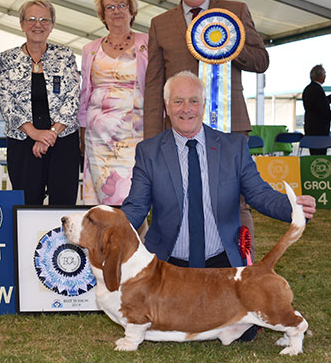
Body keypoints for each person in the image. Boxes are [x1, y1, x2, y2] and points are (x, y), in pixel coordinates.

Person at [122, 70, 316, 268]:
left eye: (194, 101)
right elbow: (136, 206)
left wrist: (294, 207)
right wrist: (106, 229)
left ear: (204, 105)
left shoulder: (234, 147)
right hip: (166, 266)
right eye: (178, 101)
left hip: (223, 263)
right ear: (167, 107)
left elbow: (259, 194)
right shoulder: (148, 152)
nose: (186, 109)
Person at [144, 0, 270, 253]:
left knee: (236, 202)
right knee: (176, 200)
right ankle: (182, 268)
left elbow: (261, 60)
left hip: (229, 126)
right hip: (177, 130)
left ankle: (242, 270)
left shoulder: (236, 10)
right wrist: (151, 137)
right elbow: (153, 84)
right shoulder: (160, 23)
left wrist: (231, 45)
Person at [0, 0, 80, 205]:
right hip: (23, 141)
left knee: (63, 203)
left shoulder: (65, 55)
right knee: (27, 204)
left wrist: (50, 134)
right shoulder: (7, 58)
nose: (38, 25)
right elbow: (5, 100)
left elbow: (73, 96)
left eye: (44, 20)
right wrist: (34, 133)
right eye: (31, 19)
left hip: (62, 139)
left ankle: (61, 239)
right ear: (22, 24)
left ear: (52, 26)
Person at [78, 0, 148, 205]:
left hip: (134, 135)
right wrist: (82, 128)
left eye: (122, 5)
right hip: (97, 137)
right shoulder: (90, 49)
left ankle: (134, 239)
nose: (117, 11)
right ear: (102, 15)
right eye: (110, 7)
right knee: (101, 198)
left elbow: (157, 86)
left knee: (131, 196)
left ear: (131, 11)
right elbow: (85, 92)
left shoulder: (148, 43)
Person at [302, 64, 330, 155]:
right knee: (320, 158)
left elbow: (319, 104)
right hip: (319, 132)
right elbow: (323, 111)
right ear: (320, 75)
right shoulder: (317, 90)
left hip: (311, 130)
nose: (325, 76)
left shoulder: (308, 89)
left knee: (313, 158)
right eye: (324, 73)